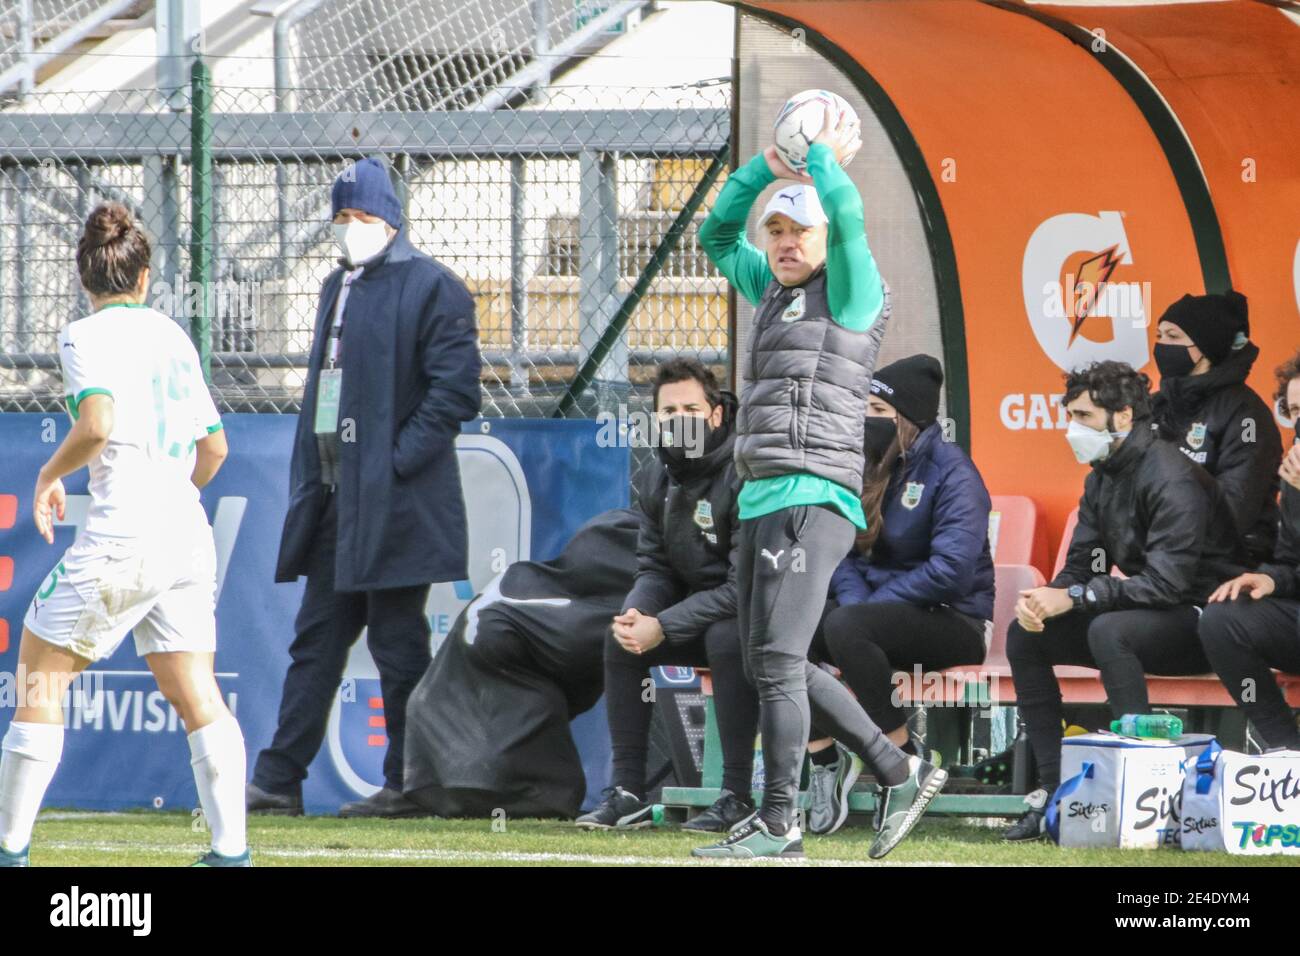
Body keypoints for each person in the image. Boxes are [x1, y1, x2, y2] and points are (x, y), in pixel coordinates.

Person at [692, 105, 945, 861]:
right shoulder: (769, 286)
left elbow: (851, 218)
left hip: (812, 493)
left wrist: (825, 163)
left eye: (800, 231)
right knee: (769, 658)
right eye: (776, 231)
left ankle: (780, 823)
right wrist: (767, 168)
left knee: (773, 660)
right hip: (765, 493)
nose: (786, 242)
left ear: (824, 237)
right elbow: (713, 235)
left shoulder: (855, 289)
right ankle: (898, 771)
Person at [0, 203, 248, 867]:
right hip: (186, 536)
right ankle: (231, 852)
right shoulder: (174, 336)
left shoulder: (85, 337)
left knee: (38, 683)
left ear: (86, 280)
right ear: (144, 279)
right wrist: (173, 492)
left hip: (124, 535)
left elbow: (98, 424)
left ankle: (11, 850)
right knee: (196, 692)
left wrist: (50, 475)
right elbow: (216, 449)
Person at [247, 157, 481, 818]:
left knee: (398, 644)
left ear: (392, 219)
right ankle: (277, 780)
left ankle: (408, 784)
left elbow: (455, 393)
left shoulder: (435, 287)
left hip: (397, 505)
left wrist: (393, 464)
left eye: (364, 216)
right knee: (316, 640)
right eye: (343, 217)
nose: (351, 228)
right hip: (333, 499)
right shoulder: (335, 285)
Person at [1003, 360, 1246, 841]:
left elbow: (1167, 585)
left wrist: (1077, 596)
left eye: (1084, 416)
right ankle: (1057, 797)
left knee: (1108, 630)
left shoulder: (1171, 475)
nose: (1073, 428)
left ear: (1123, 416)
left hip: (1207, 620)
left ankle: (1139, 797)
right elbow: (1086, 564)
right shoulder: (1101, 477)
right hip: (1151, 612)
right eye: (1069, 415)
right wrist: (1048, 598)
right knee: (1025, 636)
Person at [807, 354, 994, 835]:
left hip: (954, 619)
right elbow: (843, 554)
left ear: (908, 419)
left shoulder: (955, 473)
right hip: (880, 614)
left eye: (877, 410)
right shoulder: (867, 466)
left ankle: (904, 763)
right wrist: (859, 603)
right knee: (793, 626)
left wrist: (868, 607)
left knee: (848, 626)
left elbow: (951, 572)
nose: (866, 421)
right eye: (863, 408)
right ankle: (826, 759)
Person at [575, 359, 759, 833]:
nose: (680, 420)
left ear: (716, 415)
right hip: (694, 615)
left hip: (753, 619)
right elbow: (655, 566)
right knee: (620, 638)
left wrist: (666, 625)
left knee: (724, 638)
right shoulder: (657, 475)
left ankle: (737, 796)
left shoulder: (747, 470)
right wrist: (639, 611)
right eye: (669, 410)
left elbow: (744, 588)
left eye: (691, 408)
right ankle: (630, 793)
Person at [1198, 352, 1300, 750]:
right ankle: (1286, 752)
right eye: (1294, 410)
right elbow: (1292, 563)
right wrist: (1270, 578)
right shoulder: (1294, 470)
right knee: (1222, 620)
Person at [1151, 291, 1281, 561]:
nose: (1162, 345)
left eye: (1173, 337)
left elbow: (1235, 507)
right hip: (1162, 562)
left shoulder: (1247, 416)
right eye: (1159, 336)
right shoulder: (1153, 407)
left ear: (1207, 348)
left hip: (1232, 566)